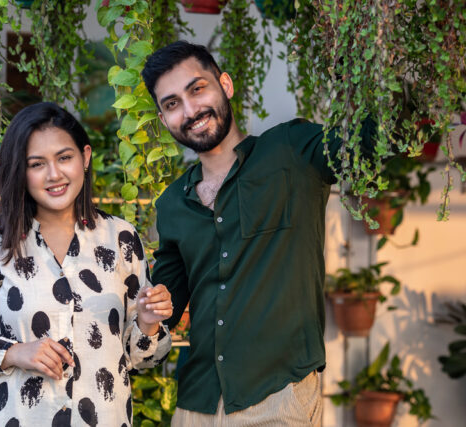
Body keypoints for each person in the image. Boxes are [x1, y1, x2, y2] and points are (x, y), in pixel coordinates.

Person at [142, 41, 375, 426]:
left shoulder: (291, 152)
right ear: (164, 119)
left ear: (226, 85)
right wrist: (149, 314)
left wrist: (360, 54)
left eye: (197, 89)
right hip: (196, 405)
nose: (190, 110)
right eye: (172, 104)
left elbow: (369, 142)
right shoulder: (172, 204)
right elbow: (163, 313)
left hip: (277, 398)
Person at [0, 102, 173, 426]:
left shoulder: (121, 240)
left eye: (64, 158)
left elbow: (142, 358)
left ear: (85, 157)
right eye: (37, 164)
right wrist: (15, 352)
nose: (54, 174)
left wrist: (147, 322)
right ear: (20, 171)